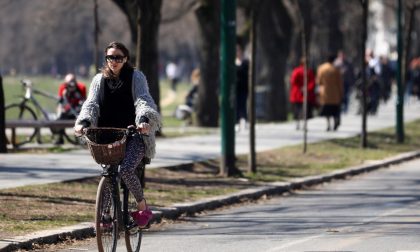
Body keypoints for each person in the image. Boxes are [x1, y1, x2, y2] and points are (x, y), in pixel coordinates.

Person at [74, 41, 161, 228]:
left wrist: (144, 120)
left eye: (119, 57)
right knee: (108, 172)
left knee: (127, 170)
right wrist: (83, 122)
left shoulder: (135, 76)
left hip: (134, 134)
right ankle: (104, 214)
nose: (114, 61)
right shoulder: (99, 80)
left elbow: (143, 100)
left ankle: (142, 207)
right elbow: (91, 104)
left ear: (126, 59)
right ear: (106, 59)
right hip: (107, 135)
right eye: (110, 57)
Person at [54, 73, 87, 144]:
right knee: (60, 118)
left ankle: (79, 138)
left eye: (73, 82)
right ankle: (60, 138)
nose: (71, 86)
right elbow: (60, 103)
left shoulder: (81, 88)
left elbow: (85, 103)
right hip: (67, 111)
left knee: (82, 120)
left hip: (78, 112)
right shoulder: (63, 88)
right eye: (69, 84)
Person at [316, 54, 344, 131]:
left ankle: (328, 125)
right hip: (335, 93)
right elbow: (339, 83)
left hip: (325, 93)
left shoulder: (321, 68)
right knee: (335, 110)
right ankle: (335, 121)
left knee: (326, 111)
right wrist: (341, 93)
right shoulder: (335, 69)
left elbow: (318, 81)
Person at [289, 57, 317, 130]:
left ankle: (298, 123)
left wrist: (302, 88)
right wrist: (306, 88)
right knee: (304, 111)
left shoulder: (297, 71)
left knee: (298, 110)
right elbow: (312, 83)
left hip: (298, 94)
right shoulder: (308, 72)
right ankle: (303, 124)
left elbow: (293, 81)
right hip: (303, 94)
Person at [235, 42, 249, 131]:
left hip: (243, 88)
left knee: (243, 104)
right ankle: (236, 122)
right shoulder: (233, 62)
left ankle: (244, 120)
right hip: (235, 88)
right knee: (236, 105)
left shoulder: (245, 62)